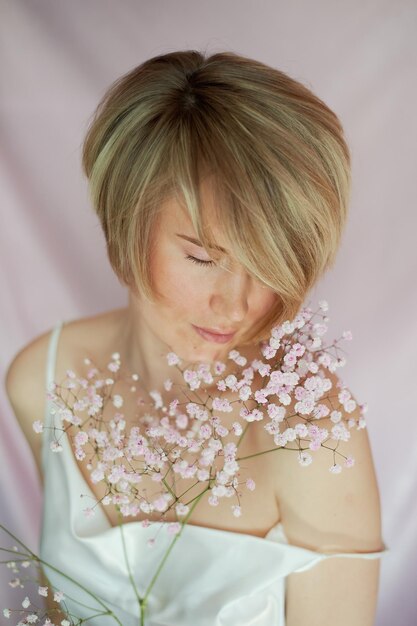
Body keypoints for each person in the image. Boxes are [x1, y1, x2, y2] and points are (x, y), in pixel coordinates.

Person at [5, 49, 388, 626]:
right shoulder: (43, 380)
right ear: (124, 219)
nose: (238, 305)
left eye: (271, 264)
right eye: (203, 257)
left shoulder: (311, 438)